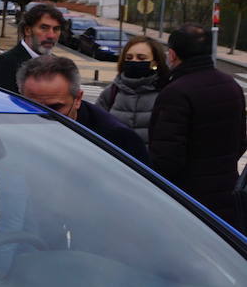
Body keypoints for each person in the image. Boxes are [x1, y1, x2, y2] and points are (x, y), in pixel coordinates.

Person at [148, 23, 247, 228]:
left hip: (189, 202)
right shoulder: (232, 86)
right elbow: (241, 139)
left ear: (172, 55)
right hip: (227, 194)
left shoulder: (176, 93)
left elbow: (166, 159)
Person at [17, 54, 148, 162]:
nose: (43, 116)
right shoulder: (11, 125)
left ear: (78, 99)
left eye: (55, 108)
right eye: (33, 107)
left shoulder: (115, 138)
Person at [95, 36, 168, 145]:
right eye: (129, 58)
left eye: (141, 58)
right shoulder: (111, 92)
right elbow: (96, 127)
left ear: (155, 62)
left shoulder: (165, 94)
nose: (134, 61)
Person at [0, 3, 64, 92]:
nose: (51, 35)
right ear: (27, 30)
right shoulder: (5, 62)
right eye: (44, 28)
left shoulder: (59, 65)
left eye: (56, 29)